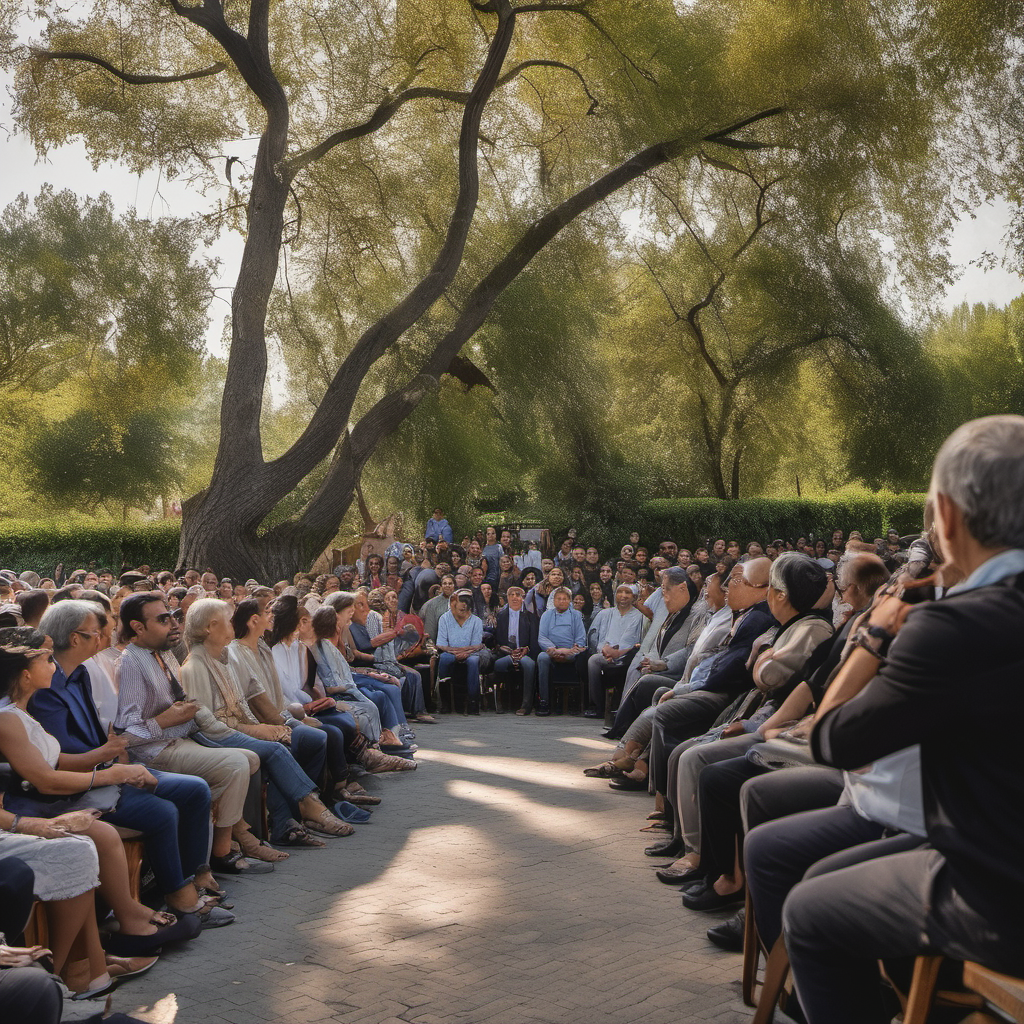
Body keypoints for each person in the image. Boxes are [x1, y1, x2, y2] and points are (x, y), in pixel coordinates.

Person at [784, 415, 1024, 1024]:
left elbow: (834, 739)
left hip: (998, 899)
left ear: (945, 514)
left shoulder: (955, 627)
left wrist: (877, 634)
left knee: (810, 911)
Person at [27, 600, 231, 923]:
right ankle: (178, 895)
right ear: (74, 639)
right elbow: (59, 760)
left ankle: (194, 879)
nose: (104, 637)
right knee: (164, 811)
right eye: (95, 632)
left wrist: (114, 754)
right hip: (79, 788)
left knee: (195, 791)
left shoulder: (78, 673)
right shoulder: (47, 686)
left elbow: (101, 736)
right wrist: (114, 759)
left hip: (107, 769)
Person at [113, 593, 265, 876]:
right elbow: (125, 734)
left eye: (172, 615)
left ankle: (229, 834)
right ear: (138, 627)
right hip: (154, 752)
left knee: (251, 758)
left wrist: (185, 715)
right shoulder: (131, 663)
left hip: (180, 739)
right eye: (162, 619)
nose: (173, 623)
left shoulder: (165, 654)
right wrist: (167, 719)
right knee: (236, 764)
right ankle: (221, 851)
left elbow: (183, 709)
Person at [181, 599, 354, 840]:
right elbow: (205, 723)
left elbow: (246, 701)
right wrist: (255, 730)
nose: (234, 624)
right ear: (210, 626)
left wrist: (269, 726)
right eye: (228, 620)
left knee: (291, 741)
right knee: (274, 750)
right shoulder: (196, 665)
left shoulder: (221, 657)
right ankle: (305, 808)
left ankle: (292, 817)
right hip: (216, 736)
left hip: (234, 728)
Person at [583, 584, 644, 719]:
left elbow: (637, 639)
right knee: (593, 661)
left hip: (628, 656)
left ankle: (624, 707)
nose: (623, 595)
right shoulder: (605, 613)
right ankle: (597, 706)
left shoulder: (639, 616)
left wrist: (620, 653)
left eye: (627, 593)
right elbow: (593, 635)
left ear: (634, 596)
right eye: (620, 592)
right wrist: (604, 651)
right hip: (605, 654)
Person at [492, 587, 541, 716]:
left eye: (518, 595)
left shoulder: (531, 617)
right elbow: (497, 640)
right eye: (511, 594)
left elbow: (535, 641)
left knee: (529, 665)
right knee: (498, 664)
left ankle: (526, 705)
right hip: (507, 654)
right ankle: (500, 702)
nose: (514, 597)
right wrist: (505, 650)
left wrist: (526, 650)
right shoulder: (500, 616)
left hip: (525, 653)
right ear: (507, 598)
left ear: (523, 598)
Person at [435, 591, 485, 715]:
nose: (465, 613)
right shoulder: (444, 619)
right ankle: (445, 703)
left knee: (473, 661)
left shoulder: (476, 621)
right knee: (444, 660)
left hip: (471, 653)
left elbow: (476, 645)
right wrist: (456, 652)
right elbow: (441, 644)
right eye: (461, 610)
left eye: (467, 610)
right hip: (450, 651)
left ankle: (473, 702)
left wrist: (465, 653)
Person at [537, 587, 587, 710]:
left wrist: (569, 651)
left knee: (580, 656)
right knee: (541, 657)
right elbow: (542, 637)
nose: (562, 601)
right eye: (559, 599)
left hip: (571, 652)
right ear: (554, 601)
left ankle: (576, 703)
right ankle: (544, 701)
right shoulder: (546, 615)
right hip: (551, 651)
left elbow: (581, 638)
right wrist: (555, 650)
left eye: (565, 599)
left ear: (569, 601)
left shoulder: (576, 615)